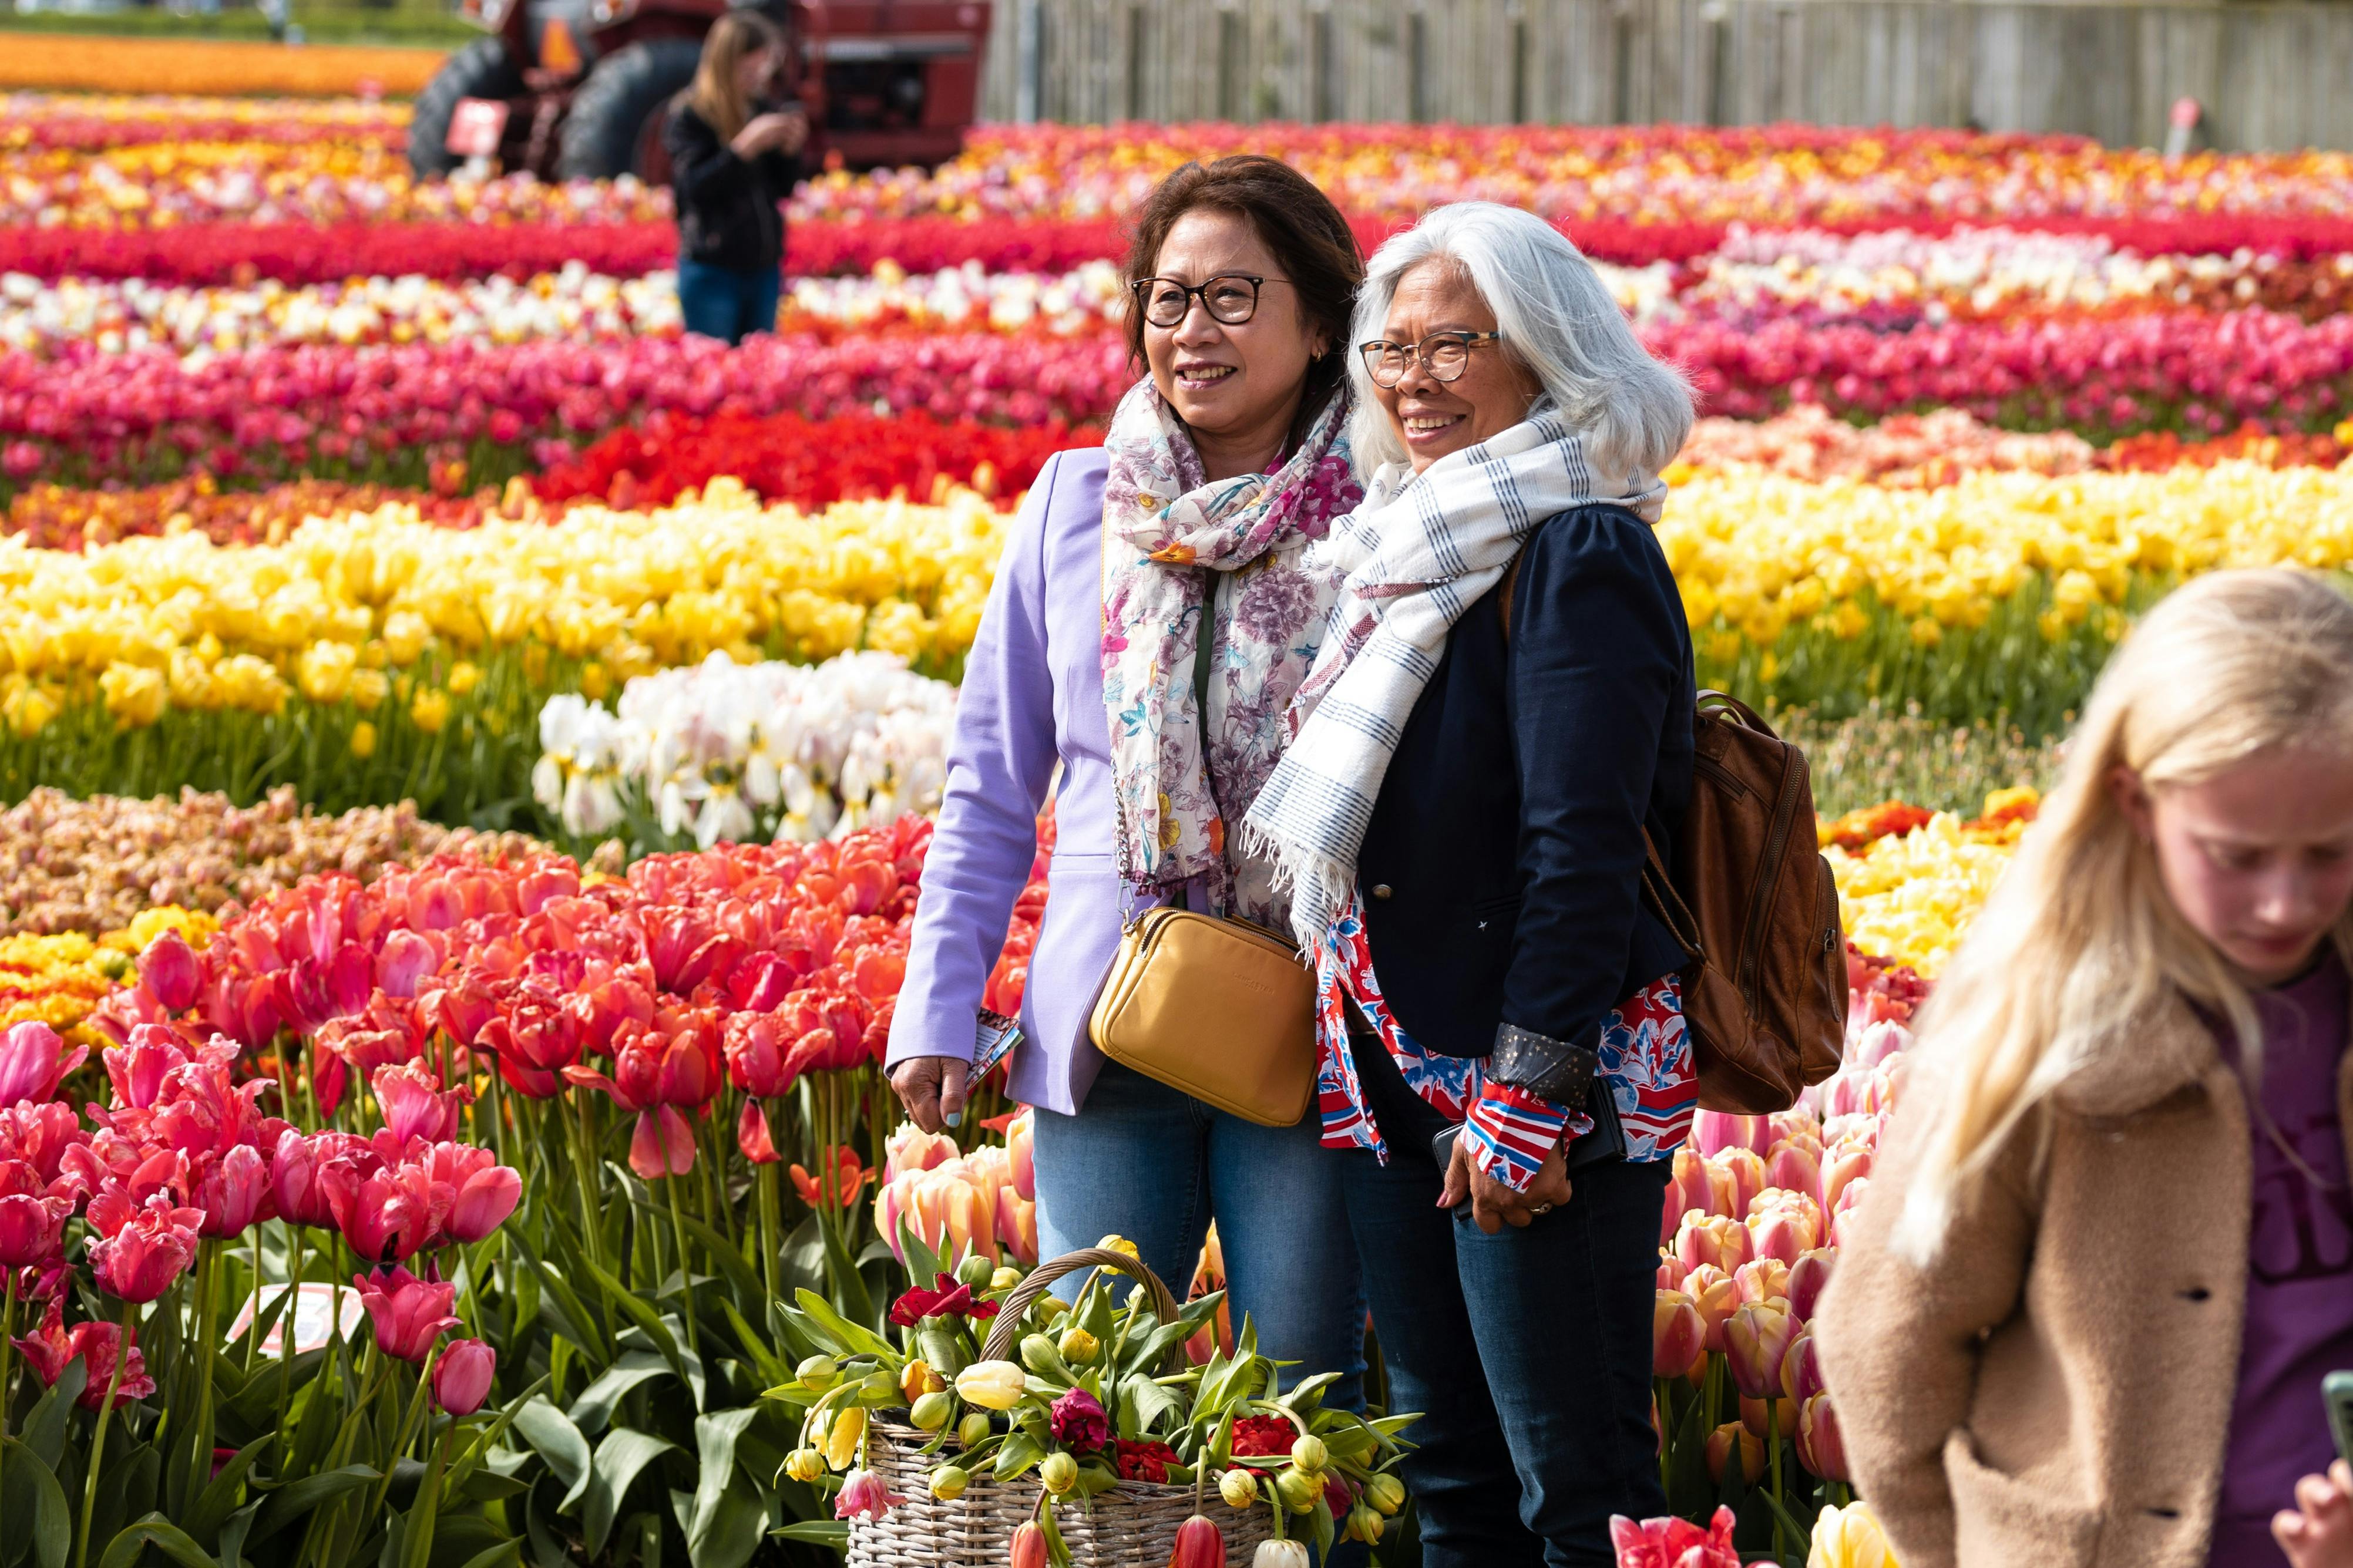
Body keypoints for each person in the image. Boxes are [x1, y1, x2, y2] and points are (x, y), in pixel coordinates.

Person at [1239, 200, 1697, 1564]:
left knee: (1579, 1486)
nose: (1414, 377)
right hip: (1392, 1064)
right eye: (1393, 346)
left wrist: (1527, 1091)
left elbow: (1582, 848)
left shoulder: (1579, 551)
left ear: (1547, 354)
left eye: (1457, 344)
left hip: (1532, 1079)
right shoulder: (1404, 545)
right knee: (1446, 1473)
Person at [885, 156, 1369, 1403]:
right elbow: (991, 783)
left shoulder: (1379, 514)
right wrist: (939, 1008)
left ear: (1320, 324)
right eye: (1165, 298)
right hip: (1112, 1023)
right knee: (1091, 1394)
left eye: (1231, 297)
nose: (1190, 331)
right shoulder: (1072, 503)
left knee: (1300, 1397)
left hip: (1308, 1025)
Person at [1816, 567, 2353, 1568]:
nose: (2285, 902)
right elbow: (1887, 1336)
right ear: (2136, 804)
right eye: (2236, 856)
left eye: (2328, 852)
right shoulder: (2044, 1031)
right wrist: (1966, 1551)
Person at [664, 12, 806, 345]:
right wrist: (743, 148)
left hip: (762, 267)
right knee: (713, 371)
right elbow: (693, 188)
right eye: (748, 71)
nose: (757, 79)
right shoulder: (691, 115)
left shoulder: (761, 107)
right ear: (726, 64)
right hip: (714, 269)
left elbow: (782, 189)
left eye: (762, 70)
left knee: (757, 375)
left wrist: (790, 150)